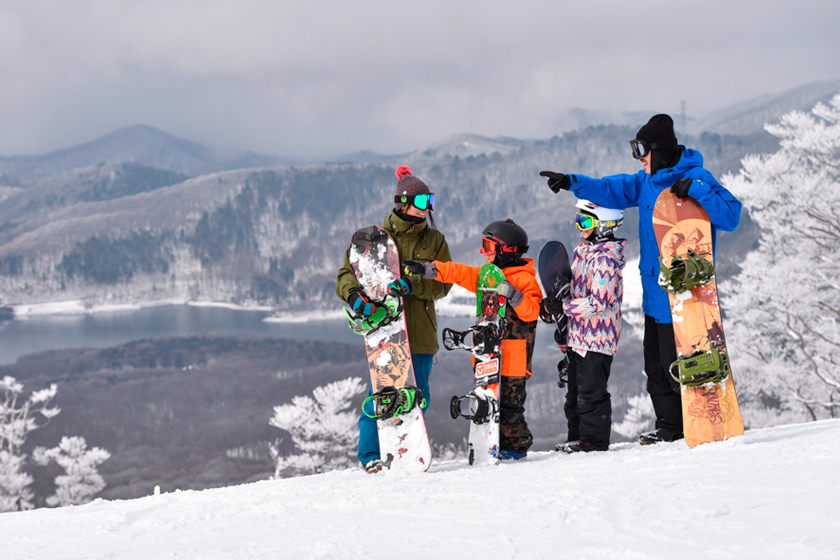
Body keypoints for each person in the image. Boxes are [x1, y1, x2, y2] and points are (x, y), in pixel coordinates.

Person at [539, 114, 742, 445]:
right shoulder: (646, 181)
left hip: (687, 293)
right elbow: (611, 188)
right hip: (654, 292)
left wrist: (698, 190)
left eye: (642, 152)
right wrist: (572, 181)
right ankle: (670, 428)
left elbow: (731, 216)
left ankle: (698, 423)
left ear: (659, 150)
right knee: (656, 367)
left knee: (681, 363)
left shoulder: (698, 177)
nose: (640, 159)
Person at [336, 165, 452, 473]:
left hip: (421, 331)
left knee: (419, 395)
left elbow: (444, 284)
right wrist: (354, 297)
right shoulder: (373, 241)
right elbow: (346, 274)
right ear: (404, 202)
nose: (429, 209)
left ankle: (406, 446)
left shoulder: (435, 241)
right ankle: (372, 455)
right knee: (383, 394)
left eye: (431, 202)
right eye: (424, 202)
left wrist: (415, 285)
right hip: (385, 331)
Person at [404, 219, 542, 460]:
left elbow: (532, 311)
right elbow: (460, 272)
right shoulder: (486, 276)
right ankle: (493, 444)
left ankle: (517, 448)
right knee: (488, 404)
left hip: (514, 360)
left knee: (510, 408)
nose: (482, 252)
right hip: (489, 355)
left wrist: (513, 294)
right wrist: (429, 270)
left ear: (506, 250)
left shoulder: (523, 279)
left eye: (487, 246)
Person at [541, 200, 626, 453]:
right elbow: (573, 292)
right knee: (574, 395)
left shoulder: (605, 260)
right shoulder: (583, 253)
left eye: (586, 221)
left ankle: (594, 441)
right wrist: (556, 305)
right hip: (578, 338)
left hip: (598, 340)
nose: (580, 226)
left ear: (605, 225)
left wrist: (565, 308)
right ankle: (576, 438)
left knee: (591, 394)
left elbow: (599, 303)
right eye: (579, 220)